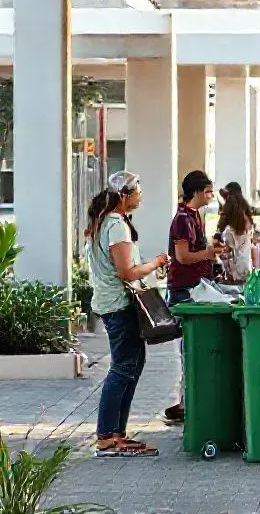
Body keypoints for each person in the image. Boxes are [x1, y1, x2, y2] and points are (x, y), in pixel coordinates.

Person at [86, 171, 168, 457]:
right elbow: (127, 272)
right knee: (123, 368)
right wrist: (156, 263)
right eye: (137, 192)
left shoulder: (106, 222)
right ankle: (107, 437)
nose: (140, 197)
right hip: (118, 305)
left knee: (132, 364)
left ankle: (116, 433)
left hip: (114, 304)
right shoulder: (116, 225)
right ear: (124, 196)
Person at [163, 170, 224, 424]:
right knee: (189, 349)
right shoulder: (182, 219)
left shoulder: (194, 216)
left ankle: (188, 401)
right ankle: (188, 403)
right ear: (197, 192)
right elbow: (183, 256)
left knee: (192, 349)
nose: (210, 196)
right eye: (208, 192)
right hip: (185, 290)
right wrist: (208, 254)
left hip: (196, 286)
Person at [220, 192, 258, 283]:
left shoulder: (229, 231)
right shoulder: (246, 225)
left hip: (240, 273)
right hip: (246, 270)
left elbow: (228, 253)